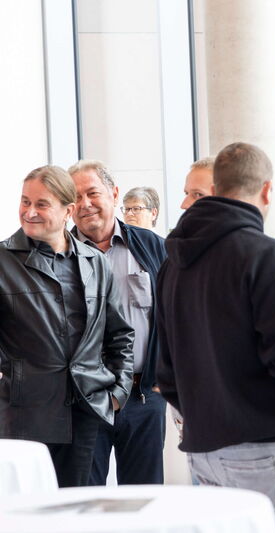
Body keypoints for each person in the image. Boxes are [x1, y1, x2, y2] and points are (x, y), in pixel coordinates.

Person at [156, 142, 275, 533]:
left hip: (203, 450)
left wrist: (203, 418)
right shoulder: (266, 255)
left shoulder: (173, 264)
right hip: (268, 447)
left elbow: (166, 368)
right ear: (267, 190)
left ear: (216, 188)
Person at [0, 165, 134, 487]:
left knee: (78, 506)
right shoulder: (3, 261)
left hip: (85, 413)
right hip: (23, 416)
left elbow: (119, 335)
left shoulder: (95, 262)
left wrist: (118, 392)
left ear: (68, 211)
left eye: (41, 204)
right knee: (29, 509)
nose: (29, 212)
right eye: (25, 201)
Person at [68, 160, 167, 486]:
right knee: (83, 498)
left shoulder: (152, 246)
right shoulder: (55, 255)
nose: (85, 204)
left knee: (144, 500)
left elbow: (175, 316)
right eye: (75, 196)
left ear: (113, 194)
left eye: (92, 193)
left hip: (143, 397)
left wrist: (170, 380)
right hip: (82, 403)